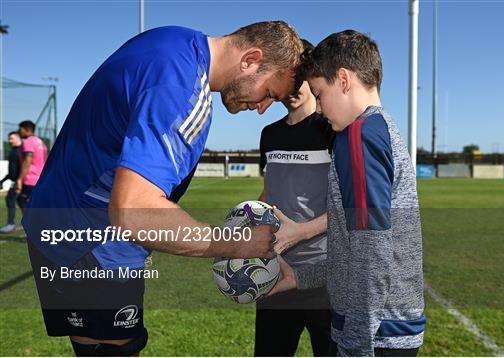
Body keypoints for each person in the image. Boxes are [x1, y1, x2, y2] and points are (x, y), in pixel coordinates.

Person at [22, 22, 304, 356]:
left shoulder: (170, 39)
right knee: (117, 345)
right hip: (94, 242)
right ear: (250, 60)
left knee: (88, 341)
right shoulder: (185, 91)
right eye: (269, 93)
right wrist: (236, 243)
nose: (261, 108)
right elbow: (134, 212)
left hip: (52, 227)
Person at [273, 30, 425, 356]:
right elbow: (354, 253)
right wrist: (300, 276)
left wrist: (355, 347)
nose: (321, 108)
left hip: (374, 335)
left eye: (320, 93)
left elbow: (371, 256)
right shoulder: (378, 128)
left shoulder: (360, 136)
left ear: (343, 80)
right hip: (383, 328)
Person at [255, 39, 335, 357]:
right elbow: (268, 191)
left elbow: (349, 207)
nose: (292, 87)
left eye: (299, 78)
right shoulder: (269, 134)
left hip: (324, 275)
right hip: (276, 270)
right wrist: (249, 221)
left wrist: (301, 232)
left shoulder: (332, 130)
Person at [16, 120, 48, 211]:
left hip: (30, 179)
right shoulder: (41, 142)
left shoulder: (28, 142)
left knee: (22, 200)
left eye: (20, 129)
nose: (19, 131)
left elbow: (27, 161)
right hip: (40, 179)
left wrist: (20, 179)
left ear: (27, 129)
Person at [0, 131, 22, 233]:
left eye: (12, 138)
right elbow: (12, 171)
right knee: (21, 201)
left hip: (20, 182)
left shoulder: (21, 151)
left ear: (18, 138)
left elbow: (23, 168)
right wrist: (3, 180)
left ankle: (10, 224)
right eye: (9, 139)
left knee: (10, 199)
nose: (10, 141)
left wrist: (19, 180)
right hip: (17, 181)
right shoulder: (14, 151)